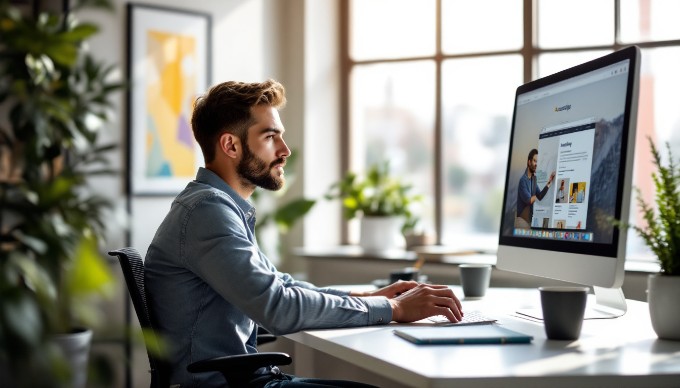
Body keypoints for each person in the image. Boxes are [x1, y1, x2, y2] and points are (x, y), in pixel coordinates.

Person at [144, 79, 463, 388]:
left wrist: (368, 297)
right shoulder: (207, 211)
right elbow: (278, 307)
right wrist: (393, 309)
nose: (284, 150)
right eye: (270, 137)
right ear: (231, 145)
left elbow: (281, 285)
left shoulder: (216, 206)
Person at [515, 149, 555, 228]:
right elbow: (528, 200)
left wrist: (549, 183)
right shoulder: (522, 180)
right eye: (534, 161)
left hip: (529, 220)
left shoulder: (534, 179)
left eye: (538, 162)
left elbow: (539, 196)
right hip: (521, 220)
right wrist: (536, 197)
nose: (536, 164)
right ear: (529, 162)